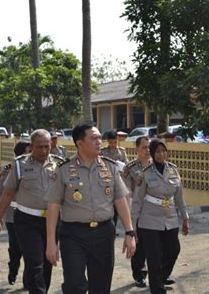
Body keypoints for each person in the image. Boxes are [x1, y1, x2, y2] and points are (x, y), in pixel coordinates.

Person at [44, 122, 136, 294]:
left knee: (101, 286)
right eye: (94, 138)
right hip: (73, 235)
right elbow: (53, 206)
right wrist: (51, 242)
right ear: (79, 143)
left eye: (100, 138)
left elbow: (120, 200)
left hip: (104, 233)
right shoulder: (63, 169)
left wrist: (130, 232)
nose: (99, 142)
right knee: (74, 284)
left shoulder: (109, 167)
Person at [0, 129, 64, 293]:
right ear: (31, 146)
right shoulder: (19, 164)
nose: (44, 151)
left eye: (47, 146)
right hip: (26, 221)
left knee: (48, 261)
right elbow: (7, 193)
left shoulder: (60, 164)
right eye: (40, 147)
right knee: (34, 262)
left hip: (52, 222)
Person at [131, 138, 189, 294]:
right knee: (154, 256)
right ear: (152, 152)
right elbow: (137, 200)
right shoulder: (145, 173)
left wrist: (185, 218)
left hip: (170, 218)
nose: (161, 154)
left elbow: (179, 198)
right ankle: (157, 289)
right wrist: (132, 225)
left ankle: (161, 276)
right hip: (149, 220)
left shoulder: (173, 170)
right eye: (157, 151)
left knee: (173, 250)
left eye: (164, 151)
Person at [0, 140, 31, 286]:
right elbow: (0, 194)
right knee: (16, 247)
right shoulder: (9, 169)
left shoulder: (36, 167)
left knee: (30, 248)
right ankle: (13, 270)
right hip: (12, 216)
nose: (29, 154)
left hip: (30, 215)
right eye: (27, 151)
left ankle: (28, 280)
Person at [124, 136, 151, 288]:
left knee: (155, 243)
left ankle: (159, 273)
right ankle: (139, 274)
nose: (147, 150)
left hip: (154, 211)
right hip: (137, 211)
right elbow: (126, 192)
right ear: (137, 149)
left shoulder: (157, 165)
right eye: (144, 147)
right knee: (139, 244)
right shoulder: (130, 168)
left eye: (149, 147)